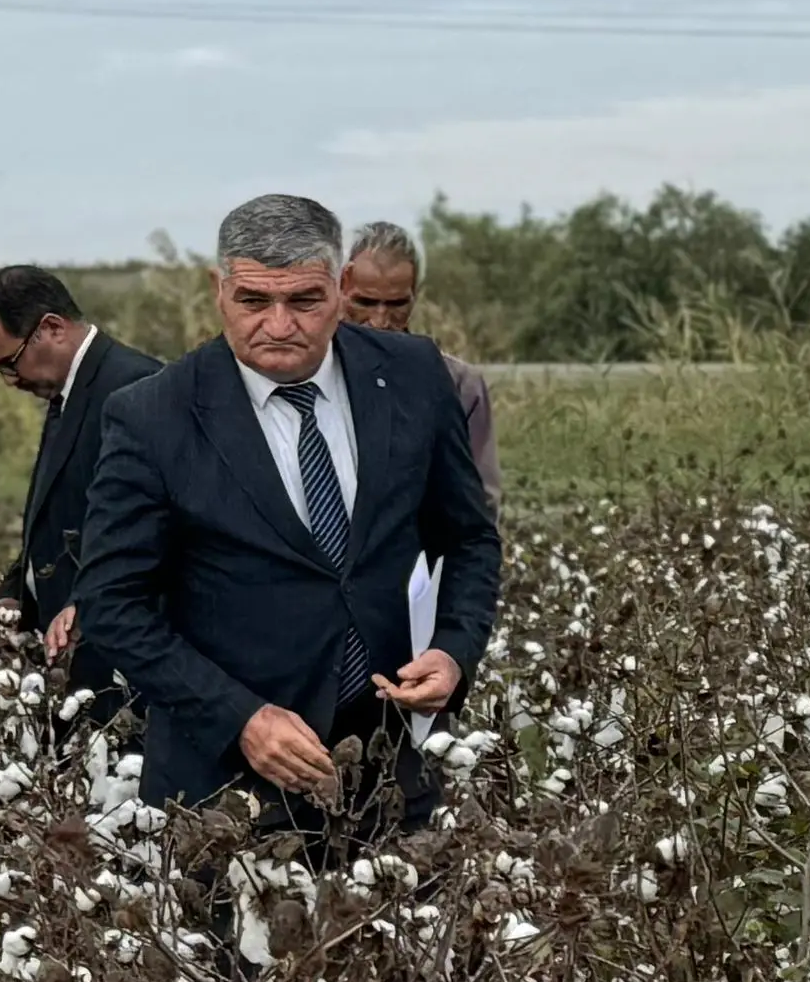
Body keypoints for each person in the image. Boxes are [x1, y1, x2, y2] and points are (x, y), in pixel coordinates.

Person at [72, 192, 502, 835]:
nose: (278, 325)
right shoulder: (152, 415)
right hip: (225, 791)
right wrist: (240, 717)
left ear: (342, 284)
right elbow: (111, 602)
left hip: (394, 771)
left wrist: (453, 650)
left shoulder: (412, 375)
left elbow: (468, 538)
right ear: (218, 291)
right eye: (252, 301)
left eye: (303, 301)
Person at [0, 266, 161, 669]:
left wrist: (85, 604)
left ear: (53, 327)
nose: (11, 380)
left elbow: (152, 533)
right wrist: (14, 593)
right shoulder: (68, 391)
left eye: (11, 362)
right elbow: (55, 516)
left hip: (112, 654)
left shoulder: (136, 389)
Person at [340, 223, 500, 501]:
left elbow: (479, 499)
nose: (380, 321)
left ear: (415, 294)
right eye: (364, 302)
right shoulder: (308, 377)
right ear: (338, 288)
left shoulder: (459, 384)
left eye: (397, 304)